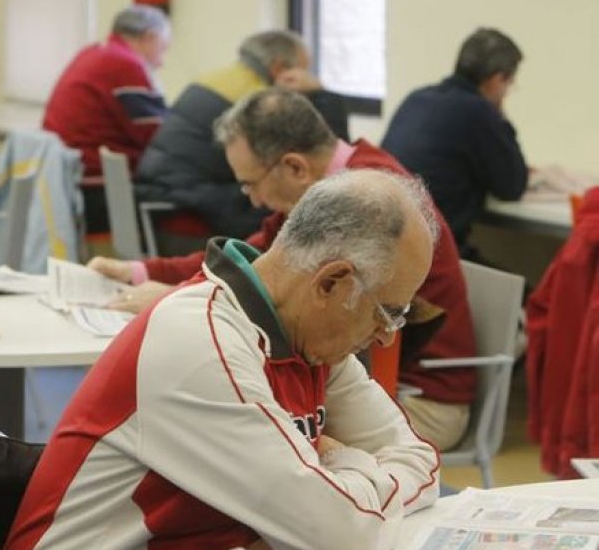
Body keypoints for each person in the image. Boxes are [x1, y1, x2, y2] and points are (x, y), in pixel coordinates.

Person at [3, 170, 440, 550]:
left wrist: (338, 468)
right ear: (330, 282)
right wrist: (351, 468)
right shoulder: (200, 342)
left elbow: (421, 463)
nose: (388, 336)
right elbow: (345, 535)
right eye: (387, 312)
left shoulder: (312, 342)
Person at [89, 90, 476, 450]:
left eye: (250, 184)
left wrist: (178, 298)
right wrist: (142, 271)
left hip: (416, 393)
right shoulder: (331, 194)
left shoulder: (375, 206)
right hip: (362, 376)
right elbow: (257, 259)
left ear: (293, 167)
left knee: (224, 434)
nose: (254, 199)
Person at [135, 29, 349, 241]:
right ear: (279, 68)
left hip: (160, 197)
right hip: (186, 211)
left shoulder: (211, 79)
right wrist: (320, 93)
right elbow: (330, 163)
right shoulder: (259, 104)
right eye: (304, 69)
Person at [382, 27, 529, 257]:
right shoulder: (479, 111)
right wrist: (501, 117)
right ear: (498, 79)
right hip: (434, 255)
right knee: (525, 292)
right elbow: (512, 186)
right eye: (509, 83)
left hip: (389, 245)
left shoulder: (417, 98)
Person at [41, 4, 171, 231]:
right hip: (97, 188)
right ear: (150, 37)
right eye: (163, 49)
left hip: (69, 182)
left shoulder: (94, 52)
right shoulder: (125, 64)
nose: (162, 61)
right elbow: (156, 137)